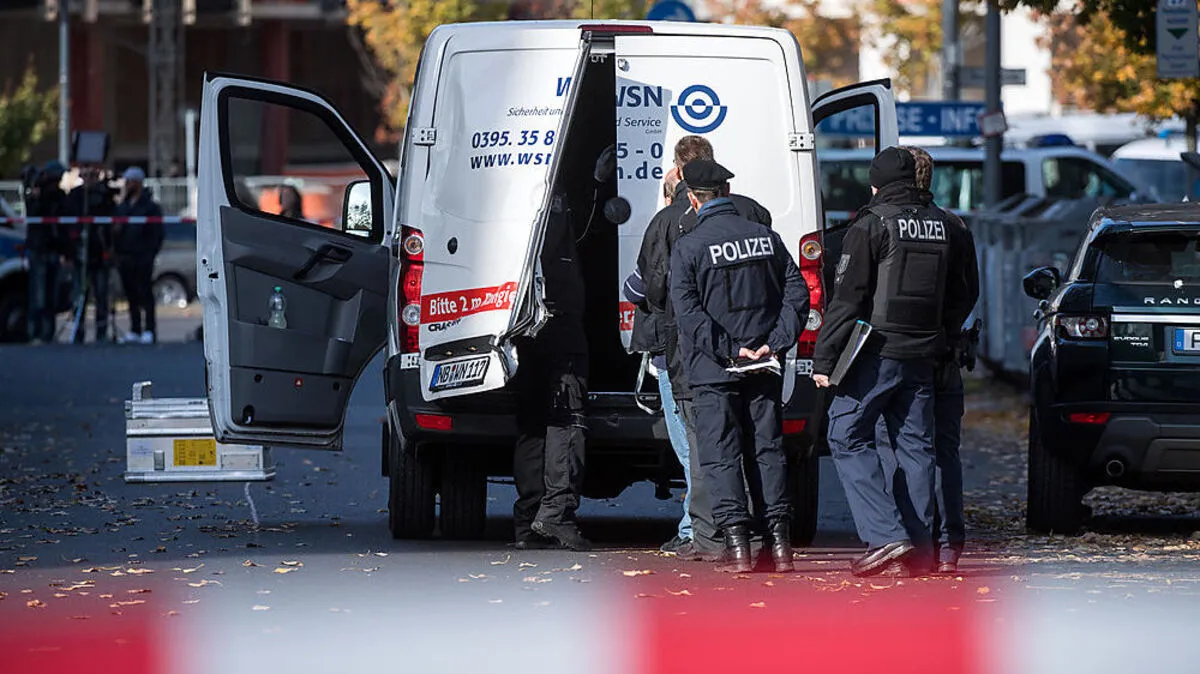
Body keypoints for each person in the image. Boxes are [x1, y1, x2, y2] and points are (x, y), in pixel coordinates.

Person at [811, 147, 977, 577]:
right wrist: (942, 333)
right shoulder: (946, 225)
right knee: (916, 449)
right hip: (925, 355)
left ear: (876, 184)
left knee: (845, 434)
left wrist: (824, 359)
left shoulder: (871, 224)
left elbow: (848, 299)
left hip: (877, 352)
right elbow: (963, 293)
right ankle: (919, 552)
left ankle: (885, 535)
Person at [636, 136, 773, 562]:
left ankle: (710, 535)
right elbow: (781, 278)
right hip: (755, 347)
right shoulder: (754, 213)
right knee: (757, 444)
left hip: (692, 353)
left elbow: (656, 291)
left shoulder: (669, 221)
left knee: (702, 446)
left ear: (681, 174)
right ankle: (762, 533)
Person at [670, 159, 809, 573]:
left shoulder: (689, 246)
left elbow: (688, 314)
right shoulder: (766, 237)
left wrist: (730, 349)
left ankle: (738, 548)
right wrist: (773, 343)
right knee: (767, 451)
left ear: (693, 199)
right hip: (763, 366)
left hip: (714, 370)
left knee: (721, 455)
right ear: (727, 192)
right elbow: (798, 295)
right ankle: (779, 546)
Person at [512, 148, 616, 552]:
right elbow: (584, 235)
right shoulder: (552, 201)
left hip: (516, 323)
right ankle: (555, 514)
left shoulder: (508, 197)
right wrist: (597, 185)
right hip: (556, 320)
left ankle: (528, 521)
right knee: (566, 417)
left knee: (532, 422)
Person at [899, 145, 979, 574]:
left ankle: (918, 541)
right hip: (947, 350)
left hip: (909, 352)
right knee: (945, 451)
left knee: (909, 448)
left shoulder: (895, 224)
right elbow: (969, 291)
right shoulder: (954, 225)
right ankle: (950, 544)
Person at [64, 167, 118, 343]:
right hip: (80, 255)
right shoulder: (74, 197)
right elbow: (68, 224)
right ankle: (78, 332)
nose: (89, 179)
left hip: (99, 255)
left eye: (93, 176)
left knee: (101, 295)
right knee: (79, 295)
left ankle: (101, 332)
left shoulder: (103, 197)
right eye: (86, 176)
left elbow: (111, 223)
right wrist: (70, 251)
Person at [114, 167, 164, 345]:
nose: (128, 185)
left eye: (131, 181)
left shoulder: (150, 207)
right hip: (125, 256)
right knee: (131, 294)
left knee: (145, 293)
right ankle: (135, 329)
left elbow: (157, 233)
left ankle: (149, 329)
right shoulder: (123, 206)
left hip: (143, 256)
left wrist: (150, 253)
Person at [24, 161, 68, 344]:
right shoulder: (37, 195)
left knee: (51, 295)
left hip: (54, 250)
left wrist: (65, 250)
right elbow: (33, 216)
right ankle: (35, 332)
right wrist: (36, 196)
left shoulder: (60, 196)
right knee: (38, 294)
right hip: (39, 250)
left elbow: (63, 224)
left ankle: (48, 333)